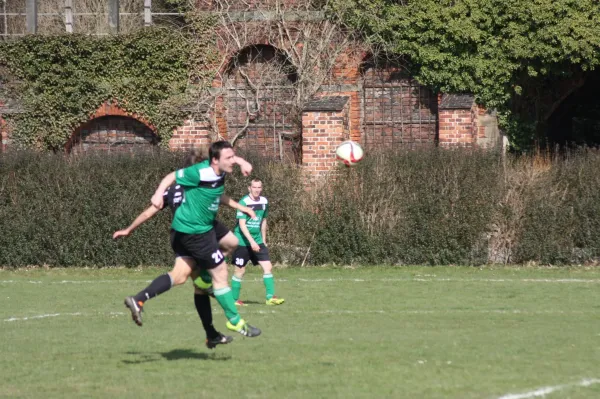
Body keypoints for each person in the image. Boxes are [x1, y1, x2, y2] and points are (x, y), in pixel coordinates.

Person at [123, 141, 261, 338]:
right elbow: (171, 177)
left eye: (233, 157)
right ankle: (235, 322)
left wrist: (242, 162)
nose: (232, 161)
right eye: (228, 158)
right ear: (214, 161)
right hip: (196, 232)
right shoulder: (198, 173)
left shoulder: (218, 168)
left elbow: (219, 191)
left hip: (194, 228)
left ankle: (139, 300)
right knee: (220, 273)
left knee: (188, 271)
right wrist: (156, 193)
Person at [113, 150, 234, 349]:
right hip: (196, 236)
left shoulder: (173, 189)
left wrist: (129, 229)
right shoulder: (198, 185)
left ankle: (140, 300)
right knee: (223, 254)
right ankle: (208, 285)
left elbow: (149, 211)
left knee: (182, 278)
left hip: (178, 237)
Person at [231, 178, 285, 306]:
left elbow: (263, 221)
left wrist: (263, 240)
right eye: (254, 187)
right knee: (240, 271)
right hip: (242, 241)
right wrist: (251, 242)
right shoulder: (244, 202)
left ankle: (270, 298)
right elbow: (242, 225)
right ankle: (233, 300)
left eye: (259, 187)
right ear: (249, 188)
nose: (257, 190)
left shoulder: (264, 201)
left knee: (268, 267)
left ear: (262, 188)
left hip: (257, 240)